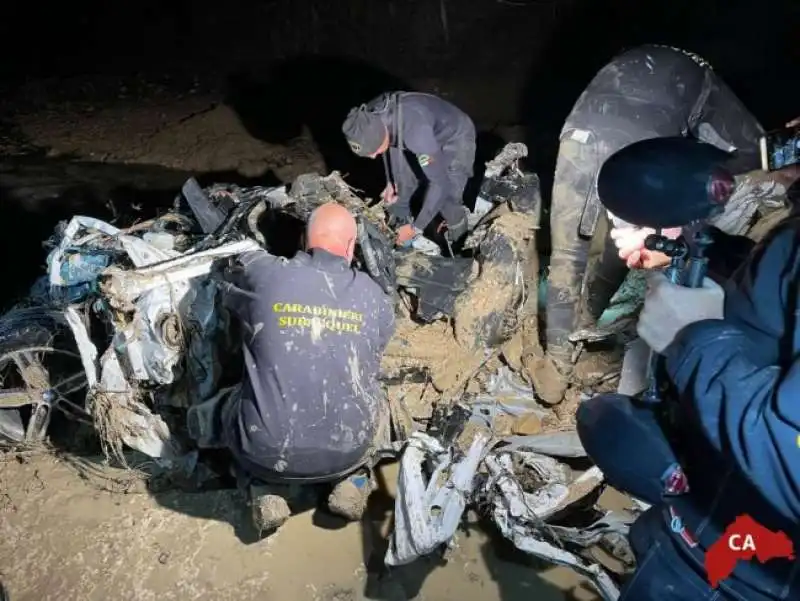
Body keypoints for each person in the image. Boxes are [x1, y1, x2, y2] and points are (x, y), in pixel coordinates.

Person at [577, 176, 800, 599]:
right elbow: (779, 309)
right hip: (700, 531)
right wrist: (700, 246)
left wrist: (693, 338)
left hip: (743, 581)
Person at [534, 44, 770, 404]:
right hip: (636, 146)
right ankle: (588, 318)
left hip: (579, 133)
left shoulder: (658, 72)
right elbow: (749, 156)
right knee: (634, 235)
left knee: (568, 252)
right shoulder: (705, 84)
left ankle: (558, 366)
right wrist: (681, 229)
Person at [218, 202, 395, 531]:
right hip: (347, 449)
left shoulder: (264, 273)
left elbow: (229, 272)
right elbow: (376, 350)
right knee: (382, 402)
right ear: (351, 247)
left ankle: (263, 488)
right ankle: (355, 480)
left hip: (266, 454)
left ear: (303, 239)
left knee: (230, 400)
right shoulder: (374, 296)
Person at [342, 92, 477, 249]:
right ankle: (400, 240)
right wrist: (390, 181)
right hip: (411, 133)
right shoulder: (368, 117)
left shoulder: (416, 134)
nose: (373, 157)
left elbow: (441, 183)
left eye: (374, 151)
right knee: (402, 187)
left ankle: (459, 243)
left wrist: (416, 228)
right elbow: (387, 145)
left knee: (447, 199)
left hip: (455, 137)